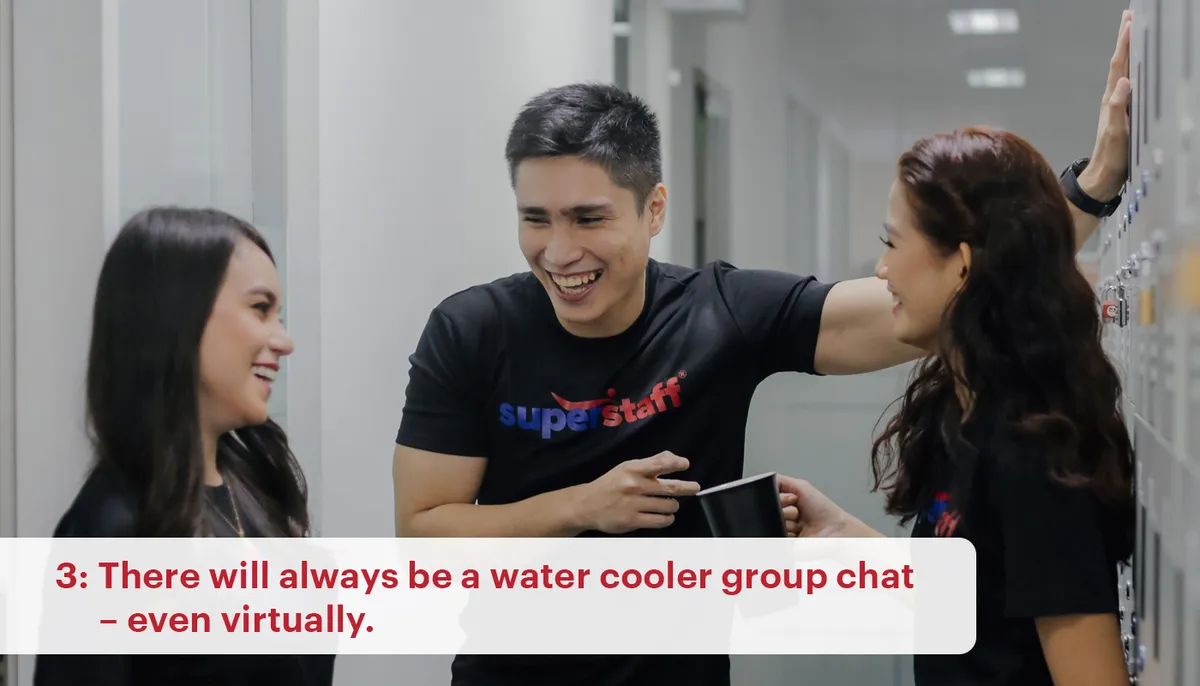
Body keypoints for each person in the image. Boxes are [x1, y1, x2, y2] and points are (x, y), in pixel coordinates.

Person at [392, 12, 1133, 685]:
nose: (558, 251)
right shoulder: (470, 332)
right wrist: (583, 507)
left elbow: (957, 287)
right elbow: (425, 534)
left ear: (654, 210)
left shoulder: (721, 314)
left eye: (587, 219)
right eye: (535, 219)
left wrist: (1094, 186)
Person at [778, 122, 1135, 684]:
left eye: (892, 243)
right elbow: (980, 593)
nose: (881, 270)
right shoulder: (966, 412)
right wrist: (844, 535)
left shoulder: (1037, 458)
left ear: (963, 265)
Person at [33, 207, 335, 686]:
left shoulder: (256, 488)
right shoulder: (112, 527)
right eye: (260, 309)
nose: (283, 340)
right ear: (178, 316)